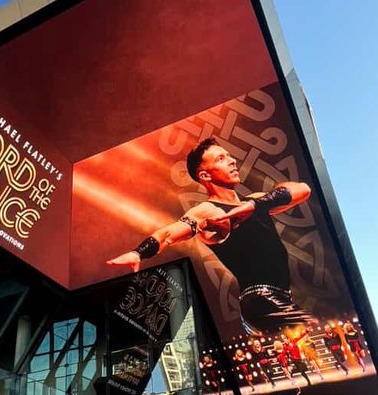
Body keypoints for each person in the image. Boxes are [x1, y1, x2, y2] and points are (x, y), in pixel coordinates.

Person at [107, 137, 311, 336]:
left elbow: (302, 190)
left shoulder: (255, 201)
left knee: (309, 343)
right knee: (315, 333)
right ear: (205, 175)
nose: (232, 161)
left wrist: (254, 204)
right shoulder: (209, 211)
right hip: (260, 300)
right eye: (221, 159)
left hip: (278, 298)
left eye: (228, 156)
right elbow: (169, 233)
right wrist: (139, 252)